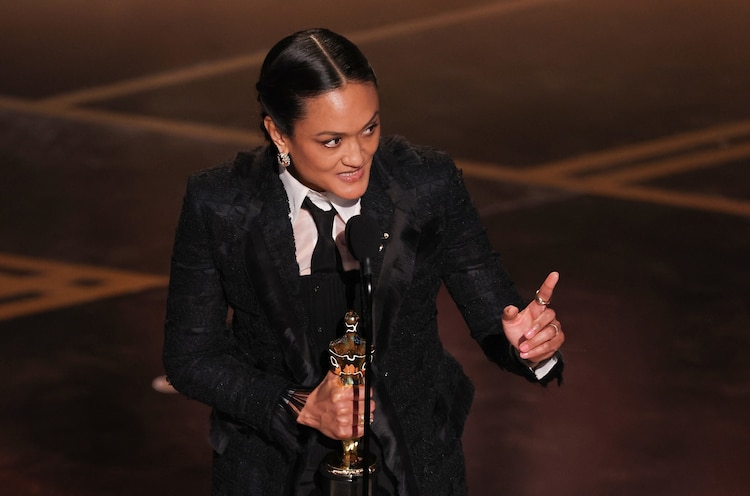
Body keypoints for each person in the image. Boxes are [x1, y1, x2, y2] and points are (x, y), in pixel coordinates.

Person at [163, 28, 565, 496]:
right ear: (278, 133)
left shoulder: (425, 185)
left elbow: (495, 312)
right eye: (332, 141)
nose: (357, 156)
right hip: (273, 471)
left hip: (414, 467)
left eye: (369, 129)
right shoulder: (220, 204)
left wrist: (532, 346)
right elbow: (191, 357)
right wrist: (296, 404)